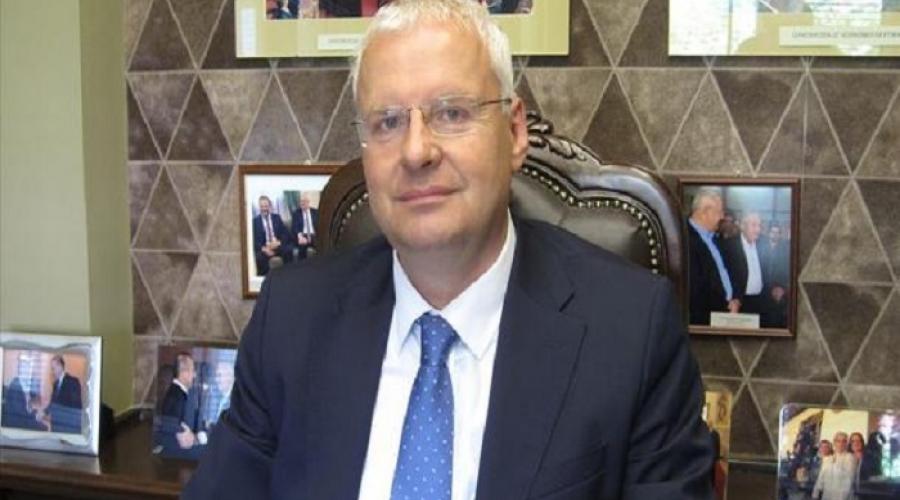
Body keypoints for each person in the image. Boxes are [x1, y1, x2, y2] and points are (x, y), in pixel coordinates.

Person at [184, 1, 713, 498]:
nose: (416, 151)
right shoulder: (291, 319)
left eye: (452, 113)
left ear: (514, 132)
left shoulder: (631, 332)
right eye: (388, 121)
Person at [687, 189, 739, 325]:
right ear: (705, 212)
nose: (722, 217)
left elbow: (727, 273)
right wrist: (724, 307)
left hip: (725, 316)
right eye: (719, 212)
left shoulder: (716, 239)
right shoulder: (685, 239)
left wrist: (734, 300)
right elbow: (695, 291)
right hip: (704, 323)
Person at [155, 353, 203, 459]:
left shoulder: (176, 392)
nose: (194, 375)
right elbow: (183, 439)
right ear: (184, 373)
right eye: (192, 371)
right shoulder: (177, 396)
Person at [722, 212, 766, 316]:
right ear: (742, 226)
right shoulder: (729, 246)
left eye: (759, 225)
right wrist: (733, 298)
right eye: (754, 225)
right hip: (739, 302)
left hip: (761, 300)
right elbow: (725, 275)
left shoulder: (764, 245)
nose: (758, 230)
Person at [251, 195, 293, 276]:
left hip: (277, 246)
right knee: (259, 258)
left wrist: (279, 242)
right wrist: (264, 249)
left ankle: (288, 276)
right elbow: (254, 240)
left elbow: (285, 233)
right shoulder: (255, 222)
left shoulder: (277, 218)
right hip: (264, 248)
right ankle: (265, 280)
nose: (264, 209)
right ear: (259, 207)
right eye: (262, 206)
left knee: (288, 250)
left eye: (266, 206)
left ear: (270, 206)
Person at [41, 355, 82, 433]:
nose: (52, 372)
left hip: (68, 426)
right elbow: (53, 402)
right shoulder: (55, 384)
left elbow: (76, 405)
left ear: (60, 366)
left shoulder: (73, 381)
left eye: (53, 368)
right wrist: (43, 412)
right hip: (56, 425)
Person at [813, 432, 858, 500]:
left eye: (844, 441)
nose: (841, 444)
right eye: (838, 441)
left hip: (843, 497)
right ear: (834, 442)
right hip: (827, 496)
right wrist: (815, 494)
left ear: (847, 443)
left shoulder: (850, 458)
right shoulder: (827, 459)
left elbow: (849, 482)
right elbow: (820, 479)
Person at [290, 194, 318, 259]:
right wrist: (300, 237)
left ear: (308, 202)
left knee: (322, 245)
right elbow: (294, 227)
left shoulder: (315, 212)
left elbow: (320, 225)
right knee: (302, 247)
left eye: (304, 201)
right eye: (301, 201)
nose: (302, 203)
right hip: (303, 235)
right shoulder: (296, 213)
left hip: (314, 235)